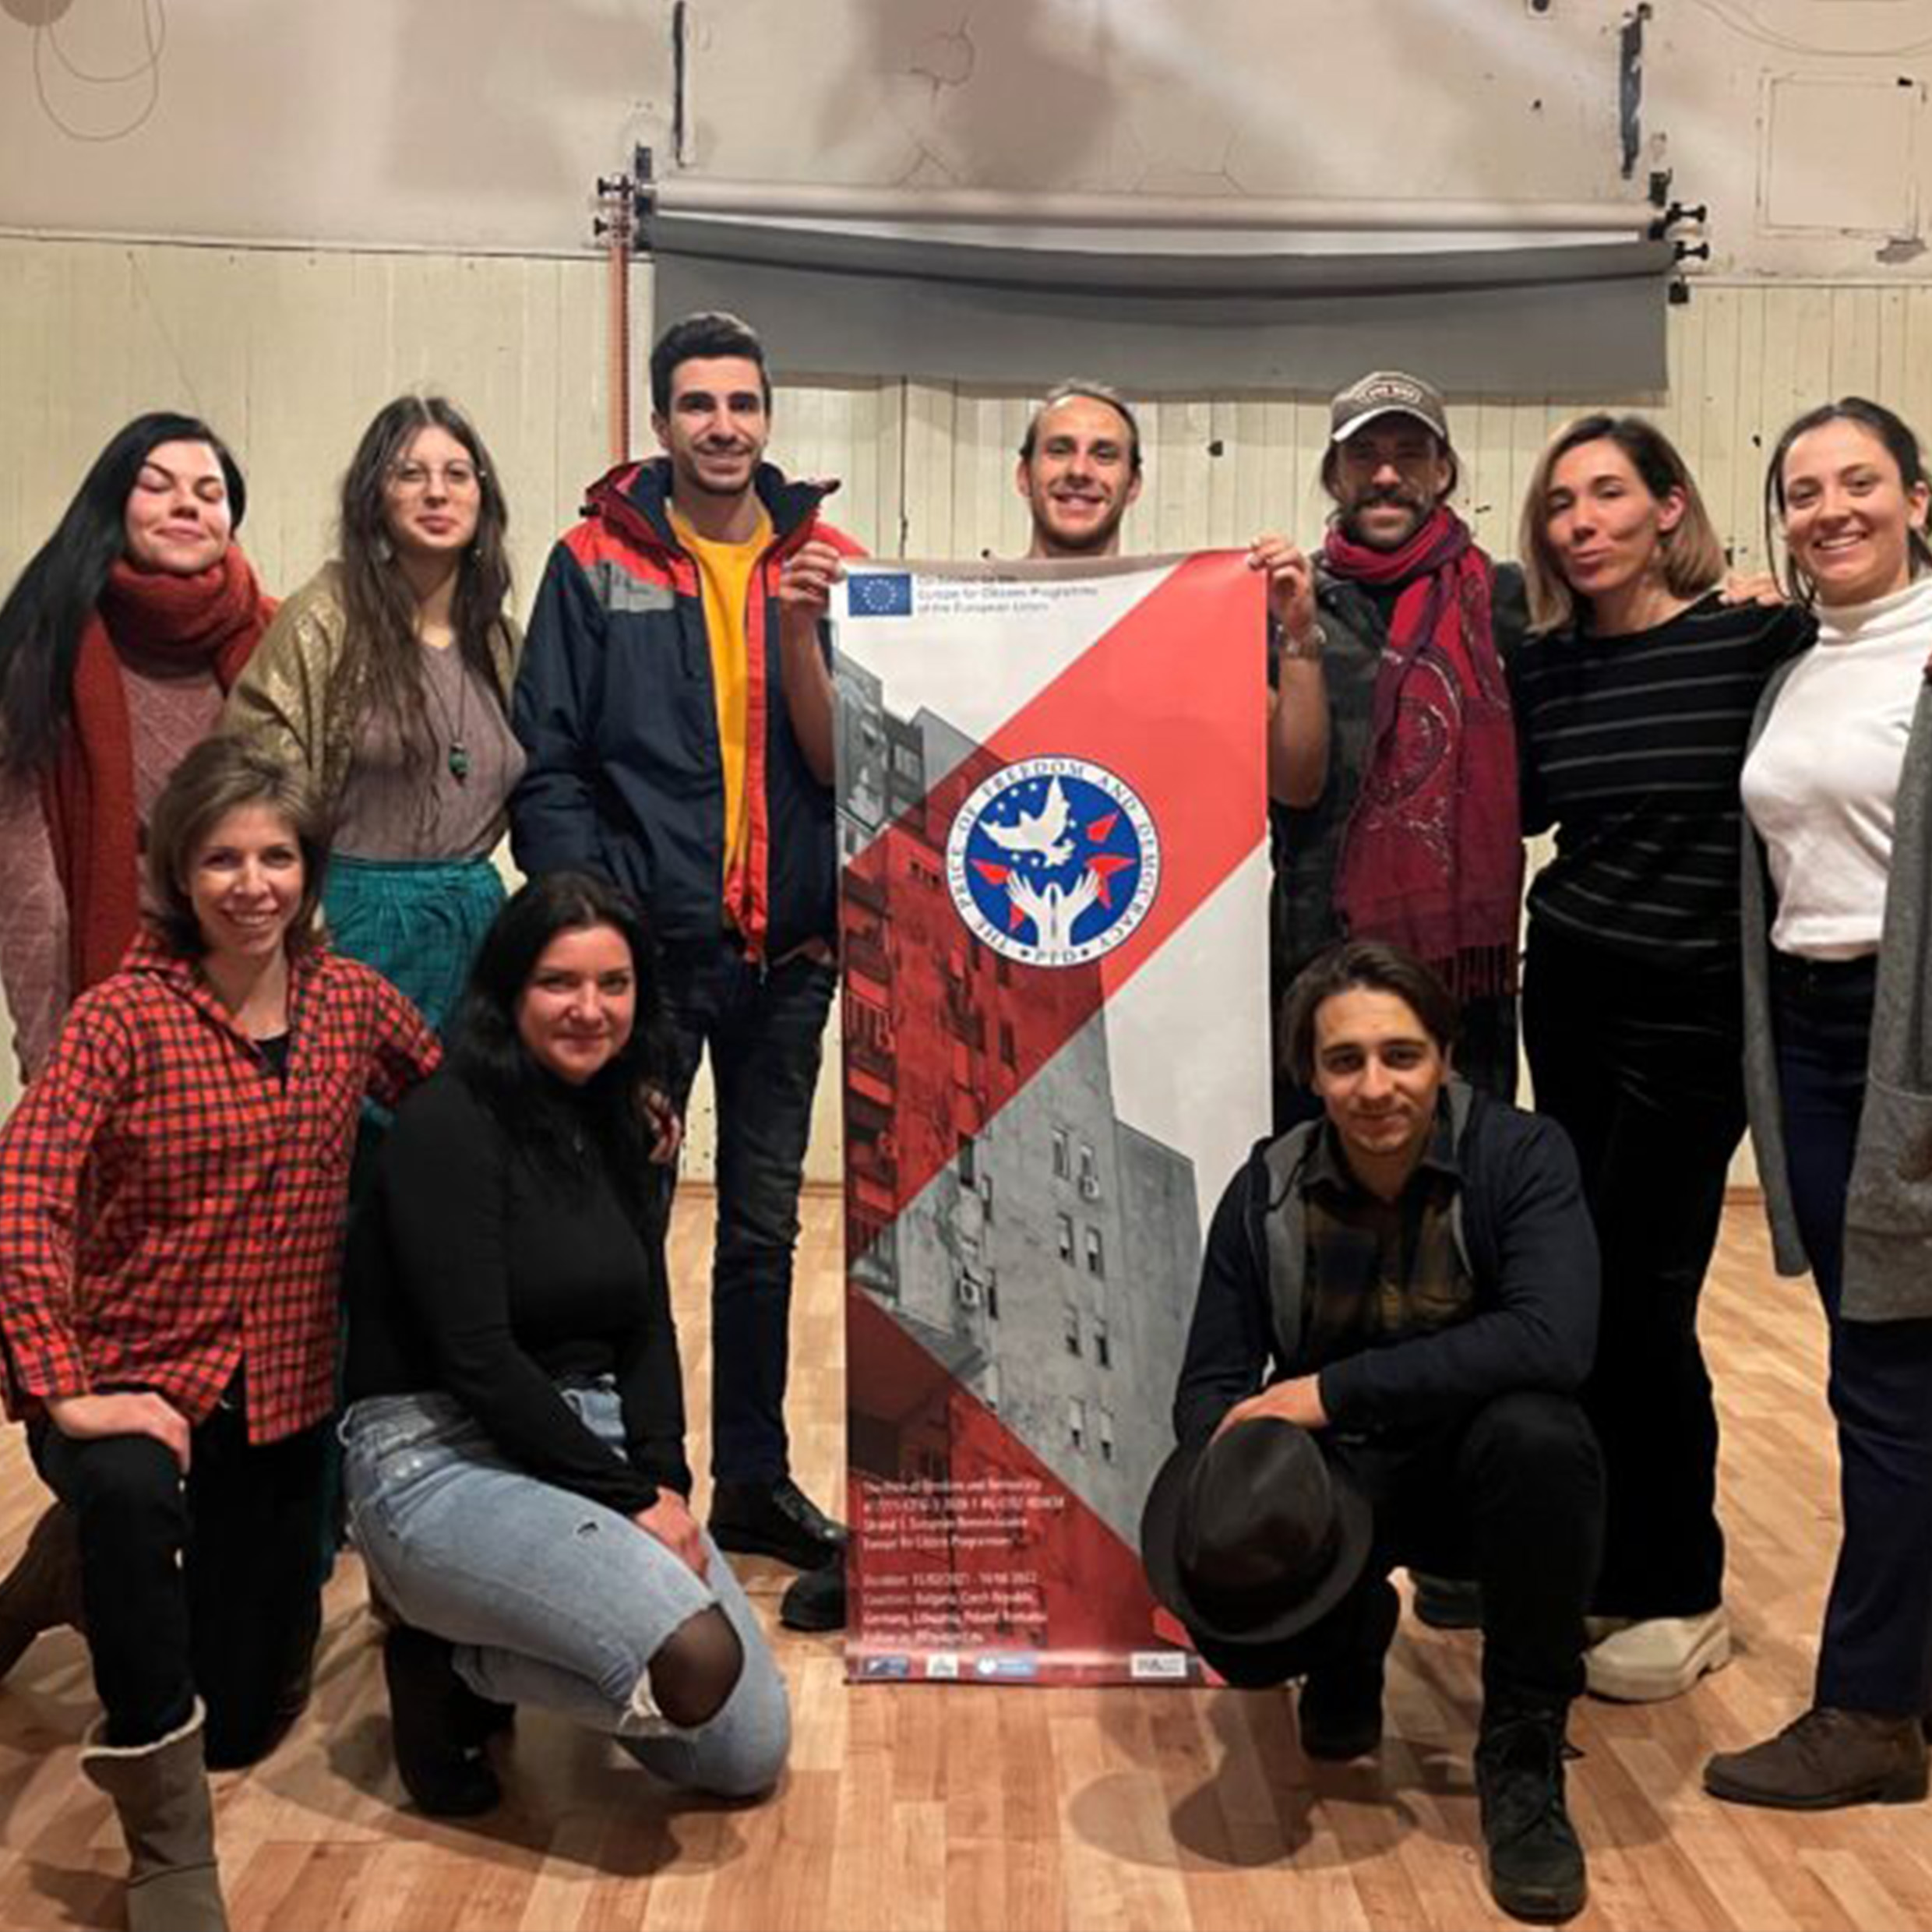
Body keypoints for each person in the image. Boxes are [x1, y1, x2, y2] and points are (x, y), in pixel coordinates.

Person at [0, 737, 439, 1932]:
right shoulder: (122, 1018)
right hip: (129, 1378)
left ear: (311, 869)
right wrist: (64, 1388)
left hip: (279, 1394)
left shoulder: (350, 1002)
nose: (253, 884)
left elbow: (454, 1098)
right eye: (222, 859)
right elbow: (24, 1186)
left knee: (241, 1722)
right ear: (178, 873)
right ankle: (166, 1847)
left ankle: (71, 1567)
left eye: (277, 857)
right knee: (130, 1492)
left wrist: (609, 1107)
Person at [511, 311, 856, 1628]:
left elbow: (864, 755)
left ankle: (754, 1481)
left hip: (791, 958)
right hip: (646, 968)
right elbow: (550, 765)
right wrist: (594, 931)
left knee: (763, 1231)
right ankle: (633, 1476)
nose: (723, 426)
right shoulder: (592, 562)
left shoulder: (825, 562)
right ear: (660, 423)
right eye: (698, 404)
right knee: (626, 1225)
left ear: (769, 418)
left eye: (743, 403)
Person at [1143, 939, 1602, 1924]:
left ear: (1445, 1056)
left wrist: (1326, 1393)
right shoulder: (1263, 1188)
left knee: (1541, 1436)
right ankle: (1346, 1630)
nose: (1374, 1085)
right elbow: (1209, 1388)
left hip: (1478, 1481)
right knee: (1240, 1640)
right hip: (1338, 1493)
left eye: (1401, 1054)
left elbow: (1553, 1338)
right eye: (1343, 1060)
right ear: (1309, 1075)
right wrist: (1248, 1490)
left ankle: (1522, 1745)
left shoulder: (1521, 1156)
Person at [340, 871, 790, 1817]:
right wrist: (628, 1499)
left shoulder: (617, 1116)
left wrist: (663, 1482)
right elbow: (476, 1358)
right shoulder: (445, 1123)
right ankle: (438, 1658)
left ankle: (481, 1652)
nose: (589, 1008)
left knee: (743, 1749)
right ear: (508, 990)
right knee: (691, 1657)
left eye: (612, 983)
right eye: (559, 982)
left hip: (582, 1436)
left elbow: (643, 1318)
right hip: (437, 1454)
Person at [1511, 414, 1812, 1703]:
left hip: (1695, 1012)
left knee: (1647, 1294)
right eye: (1561, 504)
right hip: (1571, 986)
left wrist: (1779, 589)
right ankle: (1596, 1556)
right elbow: (1529, 809)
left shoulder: (1754, 642)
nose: (1582, 523)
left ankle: (1680, 1587)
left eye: (1608, 495)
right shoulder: (1546, 665)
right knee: (1576, 1286)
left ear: (1669, 507)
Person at [0, 411, 276, 1683]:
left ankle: (107, 1546)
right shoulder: (50, 639)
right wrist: (59, 1040)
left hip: (238, 1009)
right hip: (102, 1013)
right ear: (113, 502)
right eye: (157, 484)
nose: (185, 504)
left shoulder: (265, 643)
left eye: (209, 489)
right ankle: (99, 1513)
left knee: (230, 1289)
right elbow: (25, 876)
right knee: (110, 1294)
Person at [1705, 397, 1932, 1808]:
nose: (1832, 509)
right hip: (1812, 1034)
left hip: (1912, 1045)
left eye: (1861, 482)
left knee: (1889, 1387)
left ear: (1919, 497)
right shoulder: (1798, 662)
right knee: (1887, 1368)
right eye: (1804, 491)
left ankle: (1870, 1711)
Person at [224, 393, 522, 1044]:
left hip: (477, 927)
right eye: (410, 473)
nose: (436, 492)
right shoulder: (325, 618)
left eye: (457, 474)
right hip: (351, 926)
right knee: (354, 1106)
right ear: (374, 498)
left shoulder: (499, 641)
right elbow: (254, 777)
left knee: (468, 1105)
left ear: (482, 496)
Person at [1271, 371, 1525, 1118]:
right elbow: (1288, 786)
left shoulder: (1507, 601)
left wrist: (1728, 593)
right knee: (1312, 1172)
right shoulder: (1284, 606)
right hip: (1317, 962)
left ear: (1442, 472)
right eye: (1364, 455)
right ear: (1334, 475)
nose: (1386, 475)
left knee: (1463, 1167)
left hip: (1461, 978)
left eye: (1409, 454)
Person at [1014, 378, 1327, 809]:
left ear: (1133, 484)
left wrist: (1299, 637)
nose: (1080, 471)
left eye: (1104, 454)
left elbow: (1295, 784)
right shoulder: (962, 616)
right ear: (1024, 476)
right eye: (1060, 449)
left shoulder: (1180, 619)